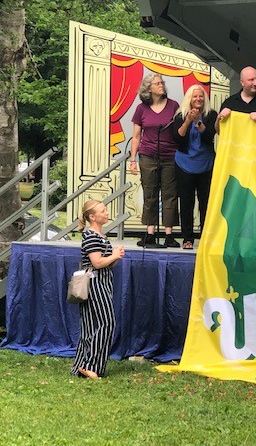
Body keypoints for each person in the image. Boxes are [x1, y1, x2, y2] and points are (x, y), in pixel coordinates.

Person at [71, 200, 125, 380]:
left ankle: (81, 365)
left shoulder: (99, 235)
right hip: (95, 284)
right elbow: (97, 262)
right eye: (103, 211)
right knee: (105, 323)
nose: (107, 212)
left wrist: (115, 257)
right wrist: (114, 256)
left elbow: (104, 262)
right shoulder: (92, 236)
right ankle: (91, 366)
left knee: (89, 326)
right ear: (93, 217)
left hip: (101, 280)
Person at [130, 74, 180, 248]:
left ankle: (169, 234)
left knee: (170, 194)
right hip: (148, 155)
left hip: (170, 156)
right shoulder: (141, 109)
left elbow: (180, 130)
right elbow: (136, 137)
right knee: (149, 194)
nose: (161, 85)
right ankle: (150, 233)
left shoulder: (173, 105)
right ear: (148, 88)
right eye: (157, 83)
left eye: (162, 83)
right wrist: (132, 160)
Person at [170, 85, 217, 250]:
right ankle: (187, 238)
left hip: (206, 164)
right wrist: (189, 120)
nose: (198, 99)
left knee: (206, 202)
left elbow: (209, 136)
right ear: (189, 98)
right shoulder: (180, 115)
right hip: (184, 164)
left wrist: (198, 121)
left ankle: (205, 238)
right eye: (195, 96)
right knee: (186, 202)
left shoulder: (211, 115)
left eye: (201, 96)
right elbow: (178, 138)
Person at [215, 66, 256, 131]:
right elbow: (219, 131)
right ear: (242, 82)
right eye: (251, 80)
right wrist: (219, 117)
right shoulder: (230, 103)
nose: (255, 83)